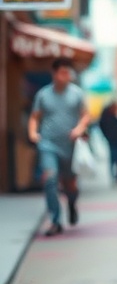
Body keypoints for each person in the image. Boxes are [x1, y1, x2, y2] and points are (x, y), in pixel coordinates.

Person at [28, 57, 91, 236]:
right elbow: (35, 116)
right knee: (50, 179)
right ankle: (55, 221)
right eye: (62, 72)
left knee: (70, 185)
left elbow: (86, 116)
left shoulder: (77, 94)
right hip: (48, 144)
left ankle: (71, 203)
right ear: (54, 73)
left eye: (68, 72)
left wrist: (79, 129)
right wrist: (33, 133)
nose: (66, 76)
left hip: (70, 146)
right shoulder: (43, 95)